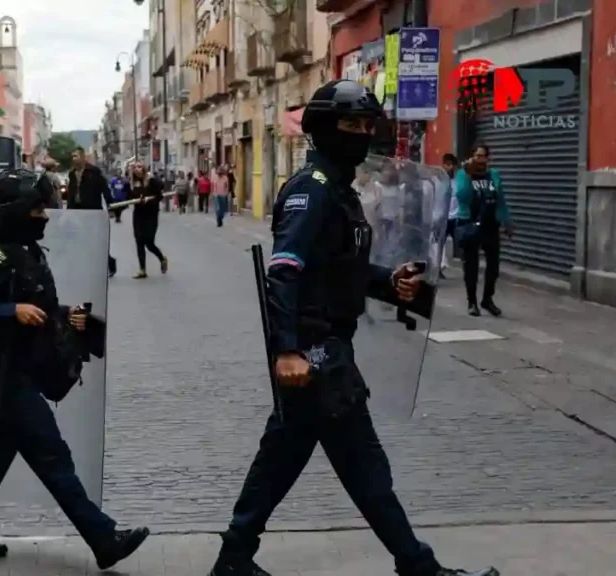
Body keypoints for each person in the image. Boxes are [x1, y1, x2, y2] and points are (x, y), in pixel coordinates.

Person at [207, 80, 498, 576]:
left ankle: (235, 555)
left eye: (368, 125)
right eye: (351, 125)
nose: (362, 134)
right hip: (317, 354)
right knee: (364, 467)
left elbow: (340, 268)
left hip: (327, 347)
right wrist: (287, 351)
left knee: (282, 457)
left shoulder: (340, 192)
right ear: (324, 130)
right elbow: (285, 271)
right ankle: (416, 565)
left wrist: (391, 284)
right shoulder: (312, 191)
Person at [0, 172, 149, 569]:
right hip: (6, 374)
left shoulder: (32, 253)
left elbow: (37, 304)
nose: (44, 215)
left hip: (29, 368)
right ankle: (103, 538)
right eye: (37, 208)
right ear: (16, 212)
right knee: (53, 456)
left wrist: (64, 316)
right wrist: (9, 311)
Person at [454, 144, 511, 318]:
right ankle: (472, 302)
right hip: (470, 224)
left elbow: (500, 199)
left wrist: (506, 221)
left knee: (493, 266)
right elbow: (462, 197)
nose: (480, 159)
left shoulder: (493, 175)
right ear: (472, 157)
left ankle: (487, 299)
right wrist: (468, 175)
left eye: (483, 156)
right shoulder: (463, 174)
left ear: (488, 158)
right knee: (471, 266)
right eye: (477, 156)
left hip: (490, 224)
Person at [66, 147, 117, 277]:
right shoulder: (71, 174)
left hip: (92, 211)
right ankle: (85, 266)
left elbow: (105, 189)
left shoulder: (94, 172)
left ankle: (110, 263)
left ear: (83, 157)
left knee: (96, 242)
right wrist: (68, 212)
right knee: (80, 240)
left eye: (76, 156)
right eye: (72, 156)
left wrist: (111, 207)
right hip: (77, 211)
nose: (74, 159)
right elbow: (71, 193)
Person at [129, 162, 168, 279]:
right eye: (134, 167)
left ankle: (162, 258)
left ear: (144, 169)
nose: (137, 169)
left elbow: (159, 196)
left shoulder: (151, 180)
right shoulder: (132, 183)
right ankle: (142, 269)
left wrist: (149, 201)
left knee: (149, 242)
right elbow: (129, 197)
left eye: (139, 167)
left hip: (151, 215)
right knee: (139, 241)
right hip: (138, 215)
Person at [440, 154, 460, 279]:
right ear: (443, 165)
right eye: (448, 164)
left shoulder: (457, 181)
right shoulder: (439, 181)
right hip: (443, 218)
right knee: (439, 245)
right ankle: (438, 269)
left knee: (461, 243)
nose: (450, 167)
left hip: (455, 217)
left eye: (452, 164)